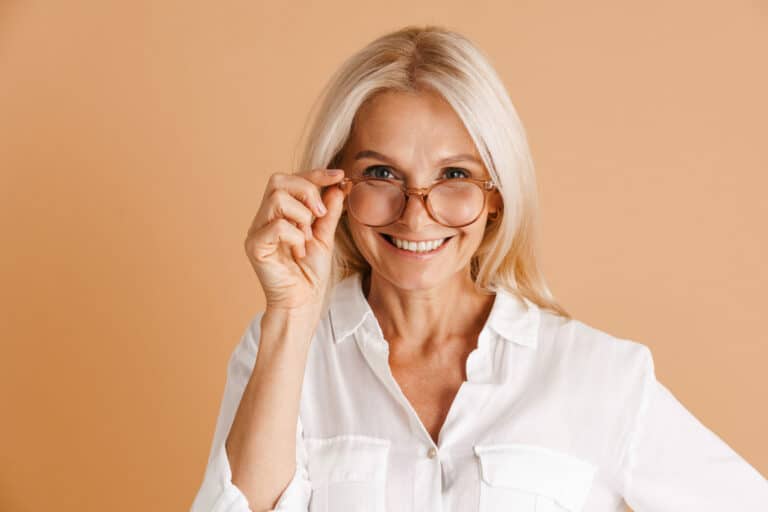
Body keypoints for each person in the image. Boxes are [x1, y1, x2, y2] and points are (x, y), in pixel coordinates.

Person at [190, 25, 767, 512]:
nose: (417, 216)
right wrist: (291, 314)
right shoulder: (282, 354)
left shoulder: (599, 374)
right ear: (335, 184)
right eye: (382, 174)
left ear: (497, 193)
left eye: (455, 176)